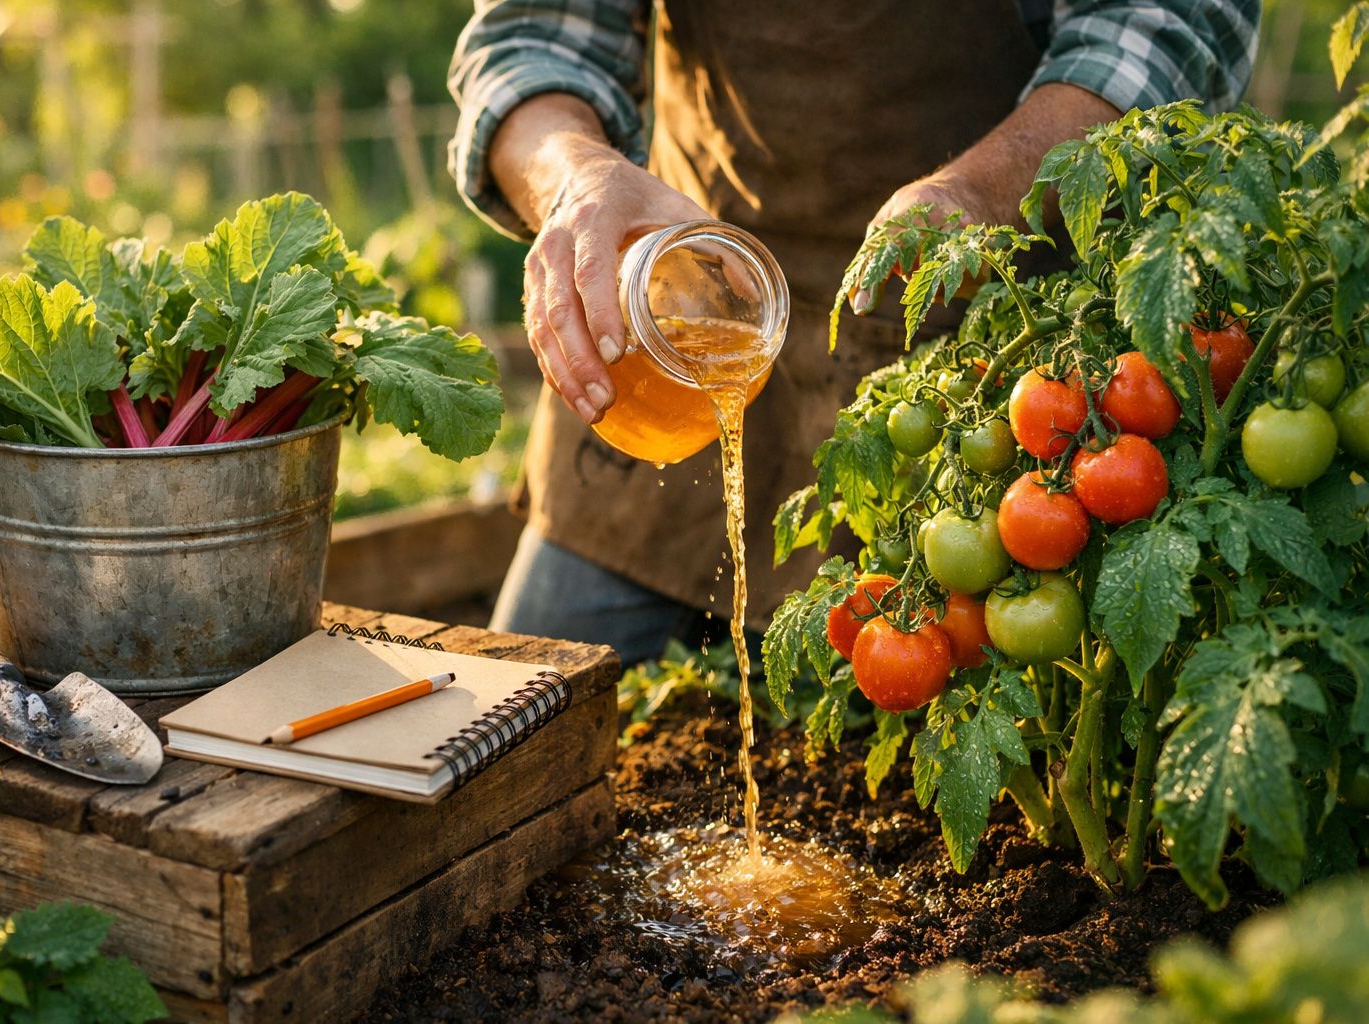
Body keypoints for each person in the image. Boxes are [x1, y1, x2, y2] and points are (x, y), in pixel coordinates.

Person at [448, 0, 1259, 666]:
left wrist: (978, 196)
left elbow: (1159, 26)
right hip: (680, 326)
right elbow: (529, 38)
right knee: (514, 733)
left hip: (992, 378)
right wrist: (575, 177)